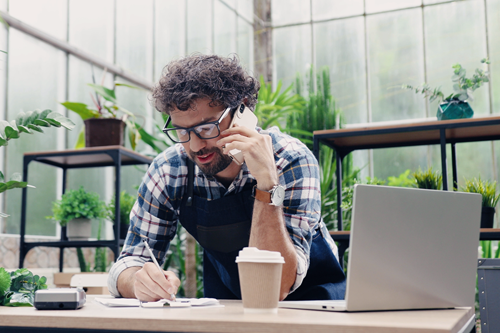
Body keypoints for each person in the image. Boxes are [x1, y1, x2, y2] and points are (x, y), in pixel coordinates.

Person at [108, 54, 346, 301]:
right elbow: (130, 261)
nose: (196, 144)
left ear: (241, 108)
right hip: (231, 307)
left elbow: (274, 289)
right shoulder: (170, 170)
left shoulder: (290, 159)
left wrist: (267, 185)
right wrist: (139, 282)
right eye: (182, 131)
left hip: (313, 308)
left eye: (207, 127)